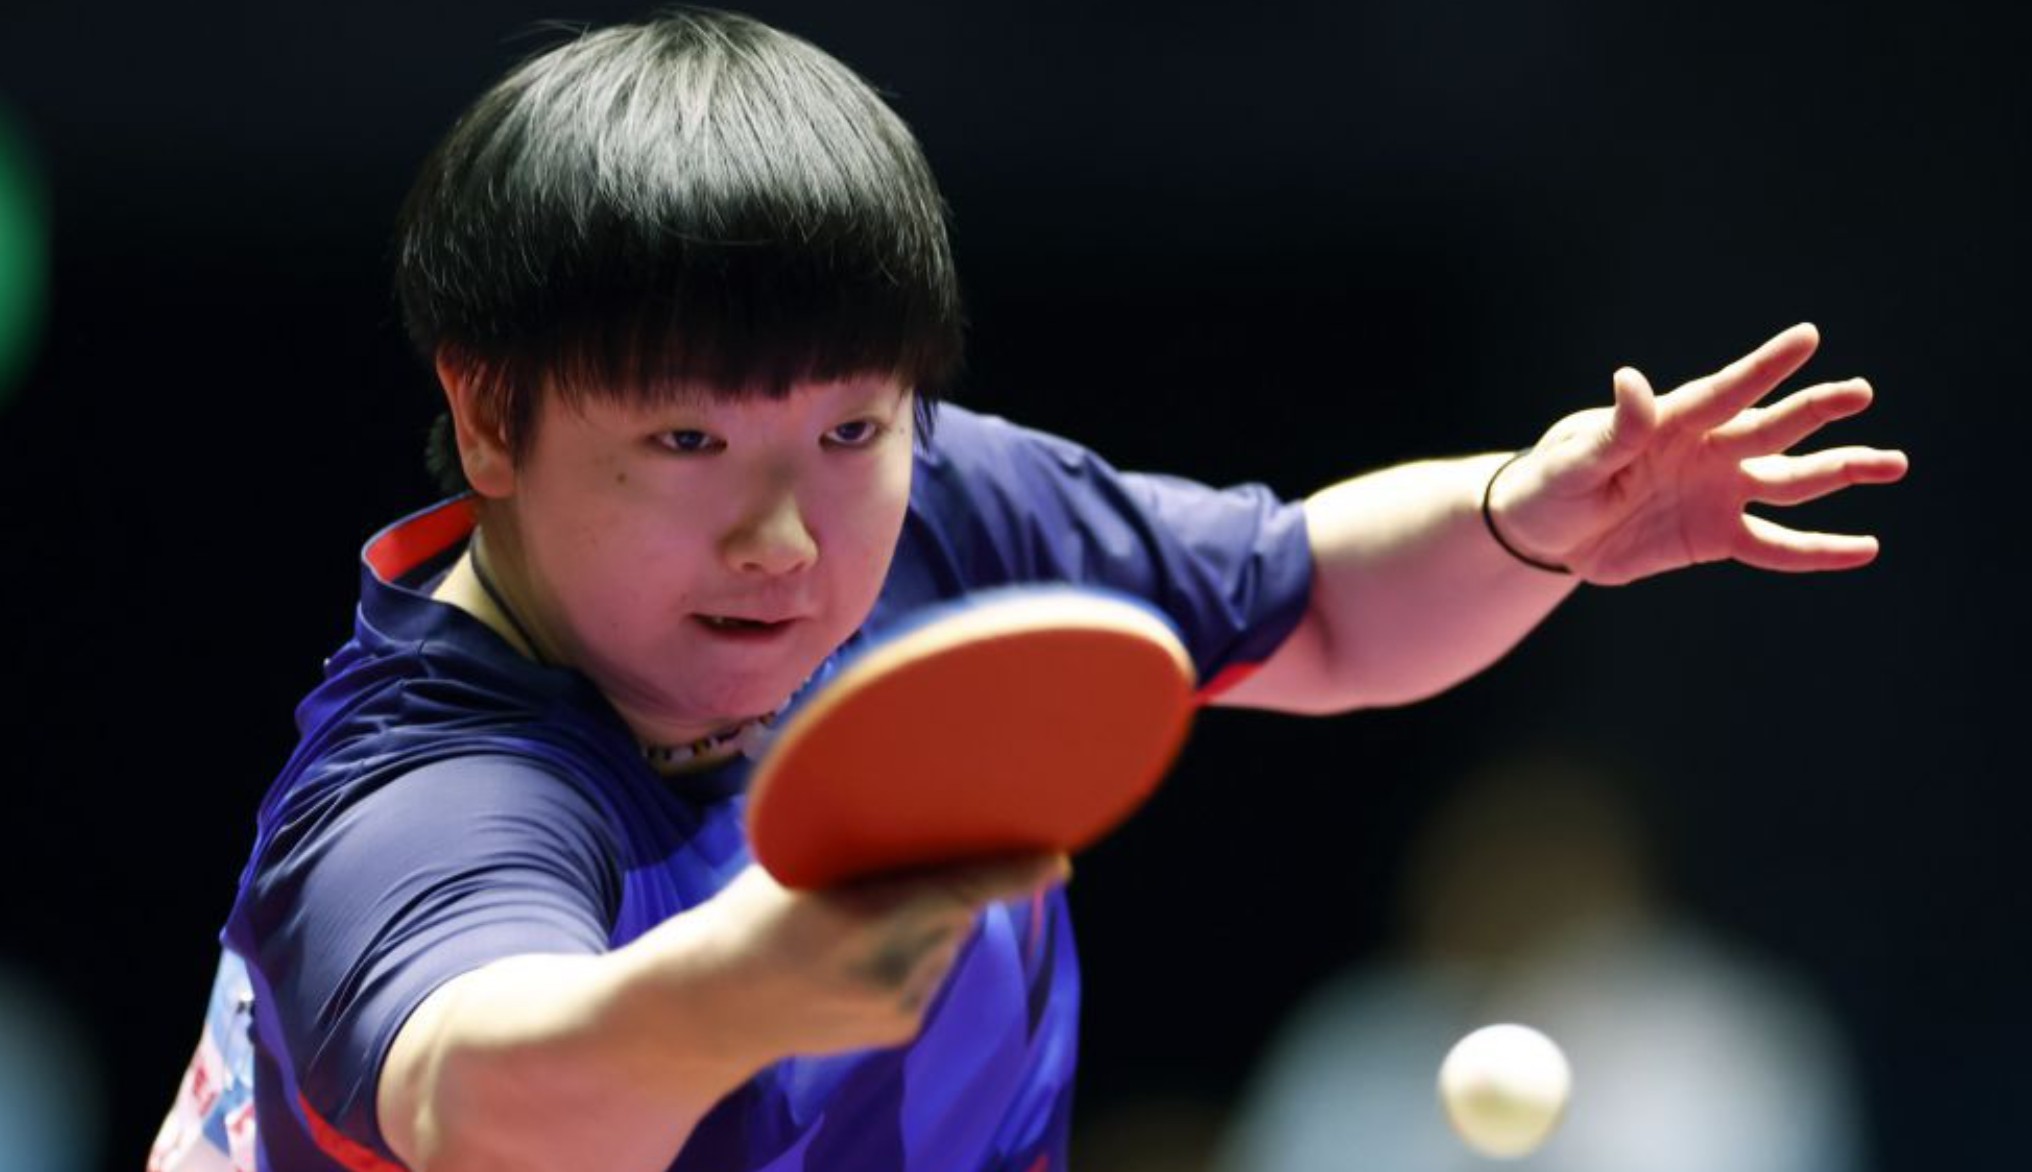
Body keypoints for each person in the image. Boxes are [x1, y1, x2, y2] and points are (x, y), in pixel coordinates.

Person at [149, 10, 1906, 1172]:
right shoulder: (427, 795)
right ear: (488, 415)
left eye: (851, 424)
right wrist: (744, 985)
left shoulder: (940, 505)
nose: (786, 533)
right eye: (687, 441)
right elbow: (479, 1095)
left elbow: (1317, 606)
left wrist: (1531, 519)